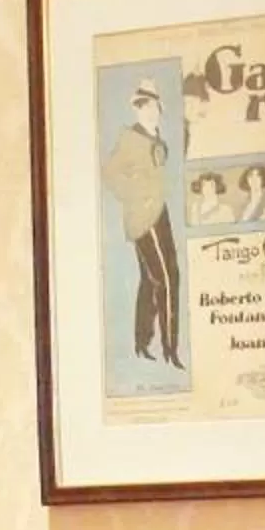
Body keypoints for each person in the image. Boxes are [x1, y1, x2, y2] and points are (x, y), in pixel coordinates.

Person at [102, 80, 184, 368]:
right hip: (143, 216)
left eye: (151, 106)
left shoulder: (156, 138)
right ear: (136, 110)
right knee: (168, 278)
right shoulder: (130, 138)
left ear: (159, 108)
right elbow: (110, 173)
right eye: (142, 106)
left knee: (151, 280)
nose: (148, 111)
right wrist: (135, 197)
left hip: (159, 212)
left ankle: (141, 342)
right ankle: (170, 349)